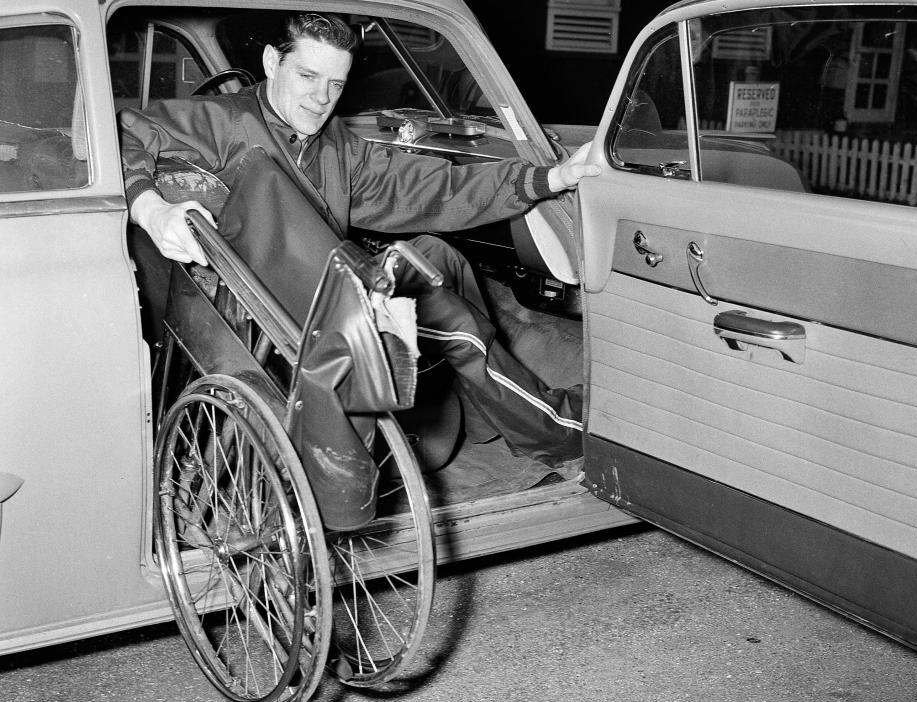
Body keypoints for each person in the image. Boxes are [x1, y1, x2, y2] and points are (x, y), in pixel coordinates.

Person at [119, 12, 599, 494]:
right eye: (307, 76)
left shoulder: (336, 148)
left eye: (335, 83)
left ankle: (484, 415)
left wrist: (549, 178)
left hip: (322, 295)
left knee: (440, 256)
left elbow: (430, 188)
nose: (321, 98)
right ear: (271, 62)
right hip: (269, 323)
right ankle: (558, 431)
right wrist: (150, 208)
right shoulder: (218, 120)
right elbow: (115, 135)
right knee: (450, 314)